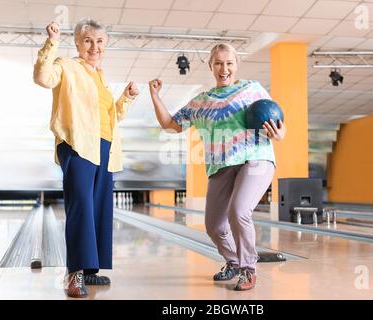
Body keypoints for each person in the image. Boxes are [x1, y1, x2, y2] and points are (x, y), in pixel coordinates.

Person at [148, 43, 286, 291]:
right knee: (214, 225)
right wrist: (156, 97)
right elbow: (170, 124)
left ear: (236, 64)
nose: (224, 69)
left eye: (229, 63)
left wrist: (279, 134)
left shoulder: (252, 88)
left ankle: (248, 269)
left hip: (255, 159)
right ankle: (233, 262)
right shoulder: (201, 102)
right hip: (220, 166)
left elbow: (278, 122)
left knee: (239, 210)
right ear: (211, 66)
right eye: (219, 63)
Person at [33, 19, 139, 298]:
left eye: (100, 41)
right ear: (78, 43)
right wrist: (51, 42)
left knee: (98, 206)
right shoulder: (66, 66)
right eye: (88, 40)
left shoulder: (102, 78)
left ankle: (91, 270)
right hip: (78, 144)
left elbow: (110, 118)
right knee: (81, 204)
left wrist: (125, 99)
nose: (94, 46)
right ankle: (74, 273)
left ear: (105, 45)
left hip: (105, 147)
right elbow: (42, 77)